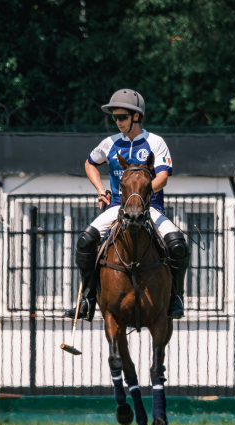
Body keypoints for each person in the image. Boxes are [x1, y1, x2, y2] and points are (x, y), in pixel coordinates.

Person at [65, 89, 190, 322]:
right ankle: (87, 300)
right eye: (114, 117)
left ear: (136, 116)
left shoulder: (155, 142)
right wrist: (101, 190)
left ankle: (176, 297)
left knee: (178, 244)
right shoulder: (109, 143)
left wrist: (140, 194)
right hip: (117, 207)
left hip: (149, 206)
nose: (117, 122)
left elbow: (162, 177)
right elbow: (90, 163)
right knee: (85, 241)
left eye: (121, 117)